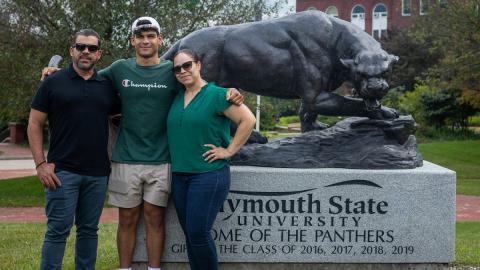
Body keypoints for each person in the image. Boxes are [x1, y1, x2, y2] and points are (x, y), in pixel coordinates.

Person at [42, 16, 243, 270]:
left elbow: (198, 86)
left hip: (161, 159)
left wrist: (230, 92)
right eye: (140, 36)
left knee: (154, 219)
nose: (146, 41)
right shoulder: (118, 69)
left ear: (160, 40)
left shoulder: (173, 71)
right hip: (125, 157)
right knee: (126, 220)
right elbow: (85, 77)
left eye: (151, 36)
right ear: (133, 41)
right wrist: (57, 75)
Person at [28, 29, 120, 270]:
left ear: (99, 54)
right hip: (62, 172)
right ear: (72, 51)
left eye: (91, 48)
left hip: (98, 173)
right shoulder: (53, 82)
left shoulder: (107, 86)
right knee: (58, 231)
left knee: (89, 231)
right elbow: (34, 124)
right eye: (81, 47)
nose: (86, 52)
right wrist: (40, 164)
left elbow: (119, 119)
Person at [167, 49, 256, 270]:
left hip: (208, 175)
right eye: (177, 68)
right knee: (190, 234)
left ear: (198, 65)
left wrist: (228, 150)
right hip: (180, 177)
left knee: (198, 232)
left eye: (187, 65)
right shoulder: (177, 97)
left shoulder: (217, 95)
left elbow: (248, 120)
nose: (182, 71)